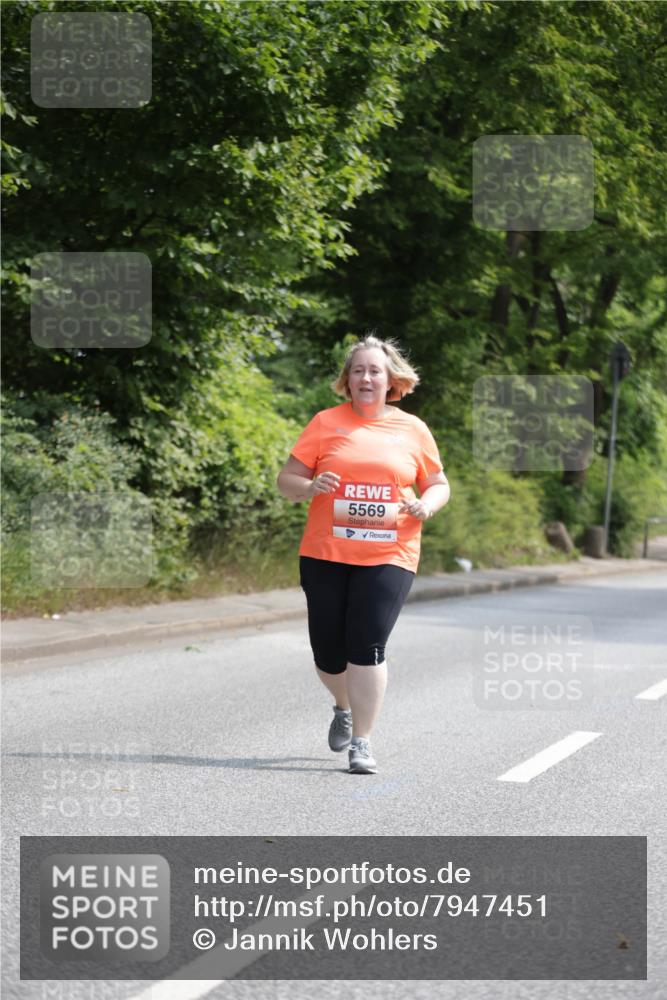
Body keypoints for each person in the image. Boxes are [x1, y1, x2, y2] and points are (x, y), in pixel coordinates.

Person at [276, 335, 450, 774]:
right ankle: (343, 705)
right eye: (358, 371)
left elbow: (437, 483)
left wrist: (426, 504)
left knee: (367, 646)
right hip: (326, 552)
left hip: (391, 552)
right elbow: (286, 480)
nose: (366, 378)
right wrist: (310, 487)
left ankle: (363, 743)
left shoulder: (412, 429)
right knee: (328, 654)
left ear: (391, 379)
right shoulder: (325, 423)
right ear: (347, 381)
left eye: (375, 371)